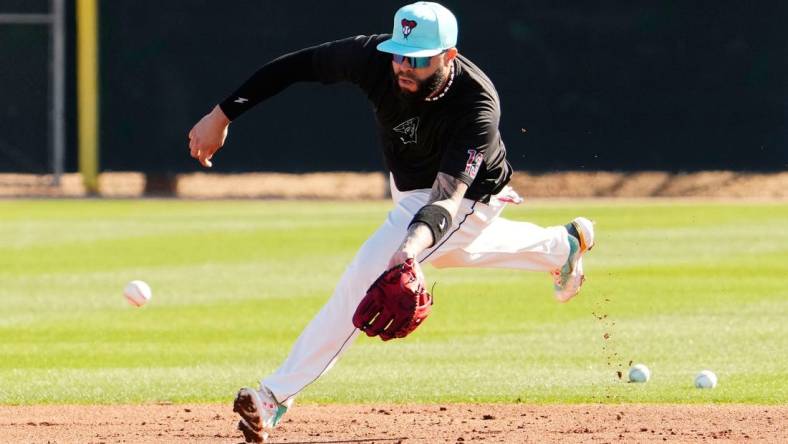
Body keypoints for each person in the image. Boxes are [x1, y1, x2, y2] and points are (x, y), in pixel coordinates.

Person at [188, 2, 595, 442]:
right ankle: (561, 246)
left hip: (468, 196)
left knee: (368, 274)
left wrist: (408, 249)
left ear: (448, 57)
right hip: (410, 186)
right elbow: (297, 66)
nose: (403, 65)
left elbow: (445, 201)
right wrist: (222, 114)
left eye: (417, 58)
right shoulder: (376, 58)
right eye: (400, 52)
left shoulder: (477, 106)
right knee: (448, 256)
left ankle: (274, 396)